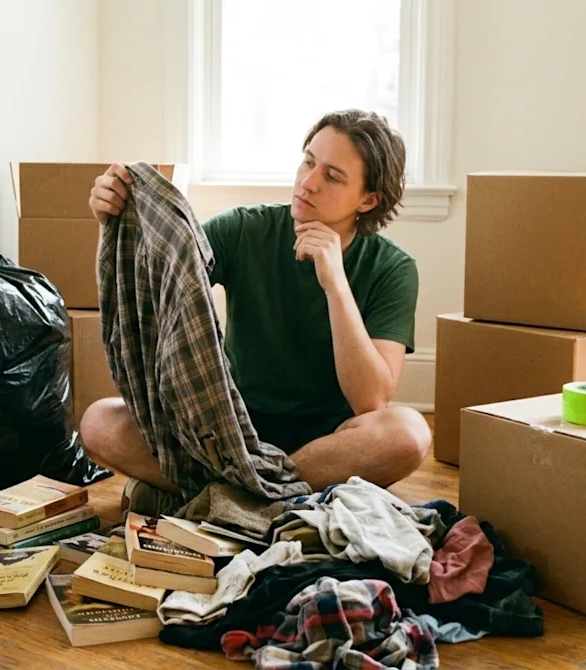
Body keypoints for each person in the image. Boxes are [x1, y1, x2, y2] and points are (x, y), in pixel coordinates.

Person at [82, 109, 431, 514]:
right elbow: (162, 271)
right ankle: (263, 497)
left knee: (408, 434)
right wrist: (116, 219)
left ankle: (223, 497)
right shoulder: (244, 229)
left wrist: (335, 282)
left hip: (326, 444)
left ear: (369, 200)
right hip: (227, 434)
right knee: (98, 420)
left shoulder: (393, 268)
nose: (308, 182)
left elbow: (371, 400)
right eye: (308, 161)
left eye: (333, 176)